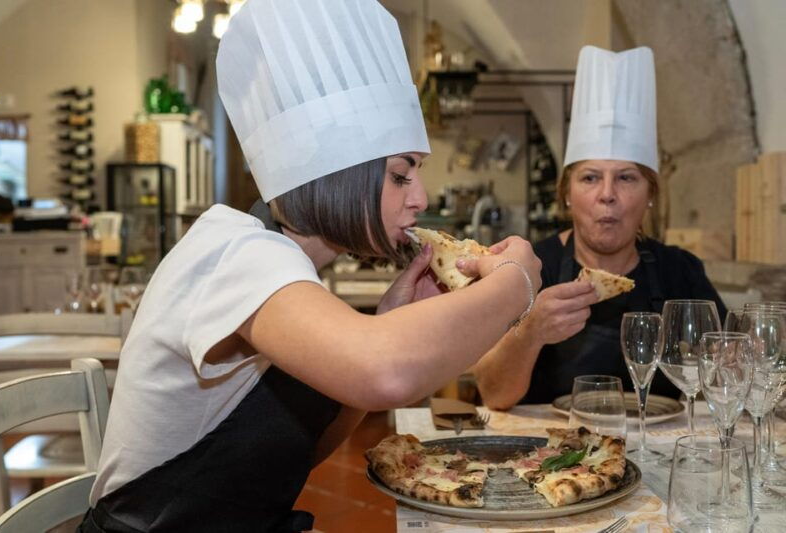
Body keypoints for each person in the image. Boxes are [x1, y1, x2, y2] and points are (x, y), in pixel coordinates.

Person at [77, 2, 541, 532]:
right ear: (338, 175)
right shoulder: (235, 254)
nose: (421, 198)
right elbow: (384, 373)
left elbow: (290, 456)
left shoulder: (285, 263)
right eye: (399, 175)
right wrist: (518, 281)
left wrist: (389, 319)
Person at [474, 46, 726, 410]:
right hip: (550, 458)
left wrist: (732, 360)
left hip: (657, 452)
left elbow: (724, 371)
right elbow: (493, 395)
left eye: (626, 178)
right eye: (590, 178)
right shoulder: (524, 270)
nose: (608, 195)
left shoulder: (681, 272)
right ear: (566, 194)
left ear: (650, 195)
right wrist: (531, 332)